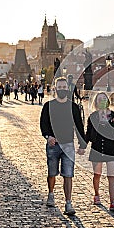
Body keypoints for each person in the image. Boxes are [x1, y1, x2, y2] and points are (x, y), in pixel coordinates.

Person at [39, 77, 86, 215]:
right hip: (53, 145)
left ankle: (68, 203)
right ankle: (51, 194)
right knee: (52, 173)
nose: (62, 89)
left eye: (64, 87)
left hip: (68, 145)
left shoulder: (73, 107)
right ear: (55, 88)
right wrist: (48, 137)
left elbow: (79, 127)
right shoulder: (48, 106)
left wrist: (82, 144)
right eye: (59, 87)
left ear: (67, 88)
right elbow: (43, 125)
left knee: (68, 175)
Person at [85, 92, 114, 211]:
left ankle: (112, 202)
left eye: (104, 98)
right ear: (96, 103)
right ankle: (96, 194)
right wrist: (82, 146)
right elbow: (88, 134)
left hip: (112, 149)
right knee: (97, 174)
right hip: (97, 148)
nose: (102, 101)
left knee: (111, 176)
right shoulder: (93, 117)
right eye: (100, 99)